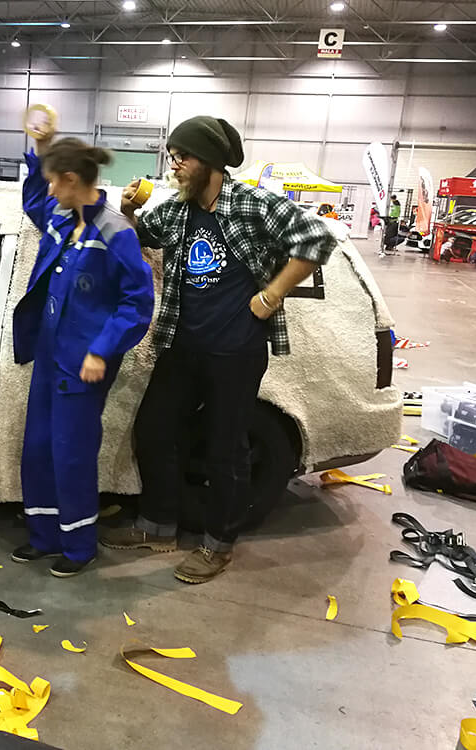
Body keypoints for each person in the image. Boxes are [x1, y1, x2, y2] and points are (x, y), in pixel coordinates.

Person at [100, 116, 336, 584]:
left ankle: (218, 544)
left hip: (236, 350)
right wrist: (127, 212)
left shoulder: (252, 203)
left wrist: (272, 295)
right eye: (172, 156)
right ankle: (157, 525)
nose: (174, 166)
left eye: (181, 157)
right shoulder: (178, 209)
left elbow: (318, 238)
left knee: (225, 447)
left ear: (208, 160)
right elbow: (142, 238)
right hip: (182, 345)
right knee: (154, 429)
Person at [11, 129, 154, 577]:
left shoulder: (115, 231)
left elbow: (136, 303)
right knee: (38, 447)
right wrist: (40, 150)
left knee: (70, 452)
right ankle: (44, 536)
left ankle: (78, 546)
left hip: (83, 362)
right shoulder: (61, 217)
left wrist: (102, 350)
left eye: (55, 180)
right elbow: (34, 200)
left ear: (72, 179)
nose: (50, 189)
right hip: (49, 353)